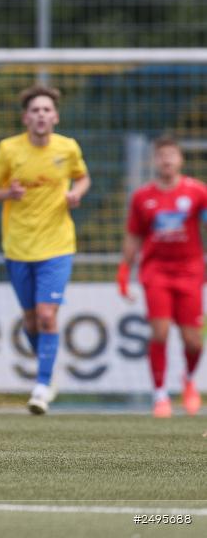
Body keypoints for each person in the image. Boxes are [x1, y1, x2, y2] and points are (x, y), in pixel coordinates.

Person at [0, 85, 90, 415]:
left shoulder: (68, 147)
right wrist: (8, 194)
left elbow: (82, 177)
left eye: (46, 110)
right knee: (30, 320)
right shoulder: (9, 149)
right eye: (35, 110)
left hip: (57, 245)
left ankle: (42, 385)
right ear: (25, 118)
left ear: (55, 117)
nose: (41, 115)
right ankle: (47, 370)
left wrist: (76, 194)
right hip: (18, 246)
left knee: (46, 315)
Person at [117, 136, 204, 418]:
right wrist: (124, 269)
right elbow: (134, 235)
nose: (167, 160)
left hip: (190, 272)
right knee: (160, 332)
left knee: (193, 341)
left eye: (171, 155)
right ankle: (160, 395)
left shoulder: (197, 192)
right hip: (156, 271)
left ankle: (188, 380)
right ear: (154, 161)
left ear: (180, 160)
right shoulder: (142, 197)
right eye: (161, 155)